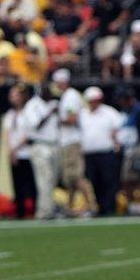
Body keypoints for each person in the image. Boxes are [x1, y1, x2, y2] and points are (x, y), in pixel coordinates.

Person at [53, 69, 96, 217]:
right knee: (69, 179)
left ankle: (92, 205)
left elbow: (72, 119)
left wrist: (56, 119)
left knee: (76, 177)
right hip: (68, 141)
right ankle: (70, 207)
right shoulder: (68, 96)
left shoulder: (70, 96)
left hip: (71, 141)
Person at [79, 87, 123, 215]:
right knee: (94, 181)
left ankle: (110, 207)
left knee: (109, 181)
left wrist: (117, 142)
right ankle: (99, 207)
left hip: (106, 153)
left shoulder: (109, 112)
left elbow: (118, 129)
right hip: (89, 154)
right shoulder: (82, 114)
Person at [22, 83, 61, 219]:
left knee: (53, 179)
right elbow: (36, 125)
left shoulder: (53, 103)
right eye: (46, 90)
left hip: (54, 144)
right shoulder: (32, 105)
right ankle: (44, 212)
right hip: (40, 145)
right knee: (44, 179)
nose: (49, 93)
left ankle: (49, 208)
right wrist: (50, 112)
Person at [3, 84, 36, 219]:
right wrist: (11, 151)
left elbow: (29, 134)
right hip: (15, 153)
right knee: (17, 184)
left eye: (16, 95)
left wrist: (16, 148)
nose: (14, 98)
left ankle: (34, 209)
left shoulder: (28, 112)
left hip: (27, 152)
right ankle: (20, 211)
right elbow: (8, 134)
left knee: (31, 182)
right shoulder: (10, 115)